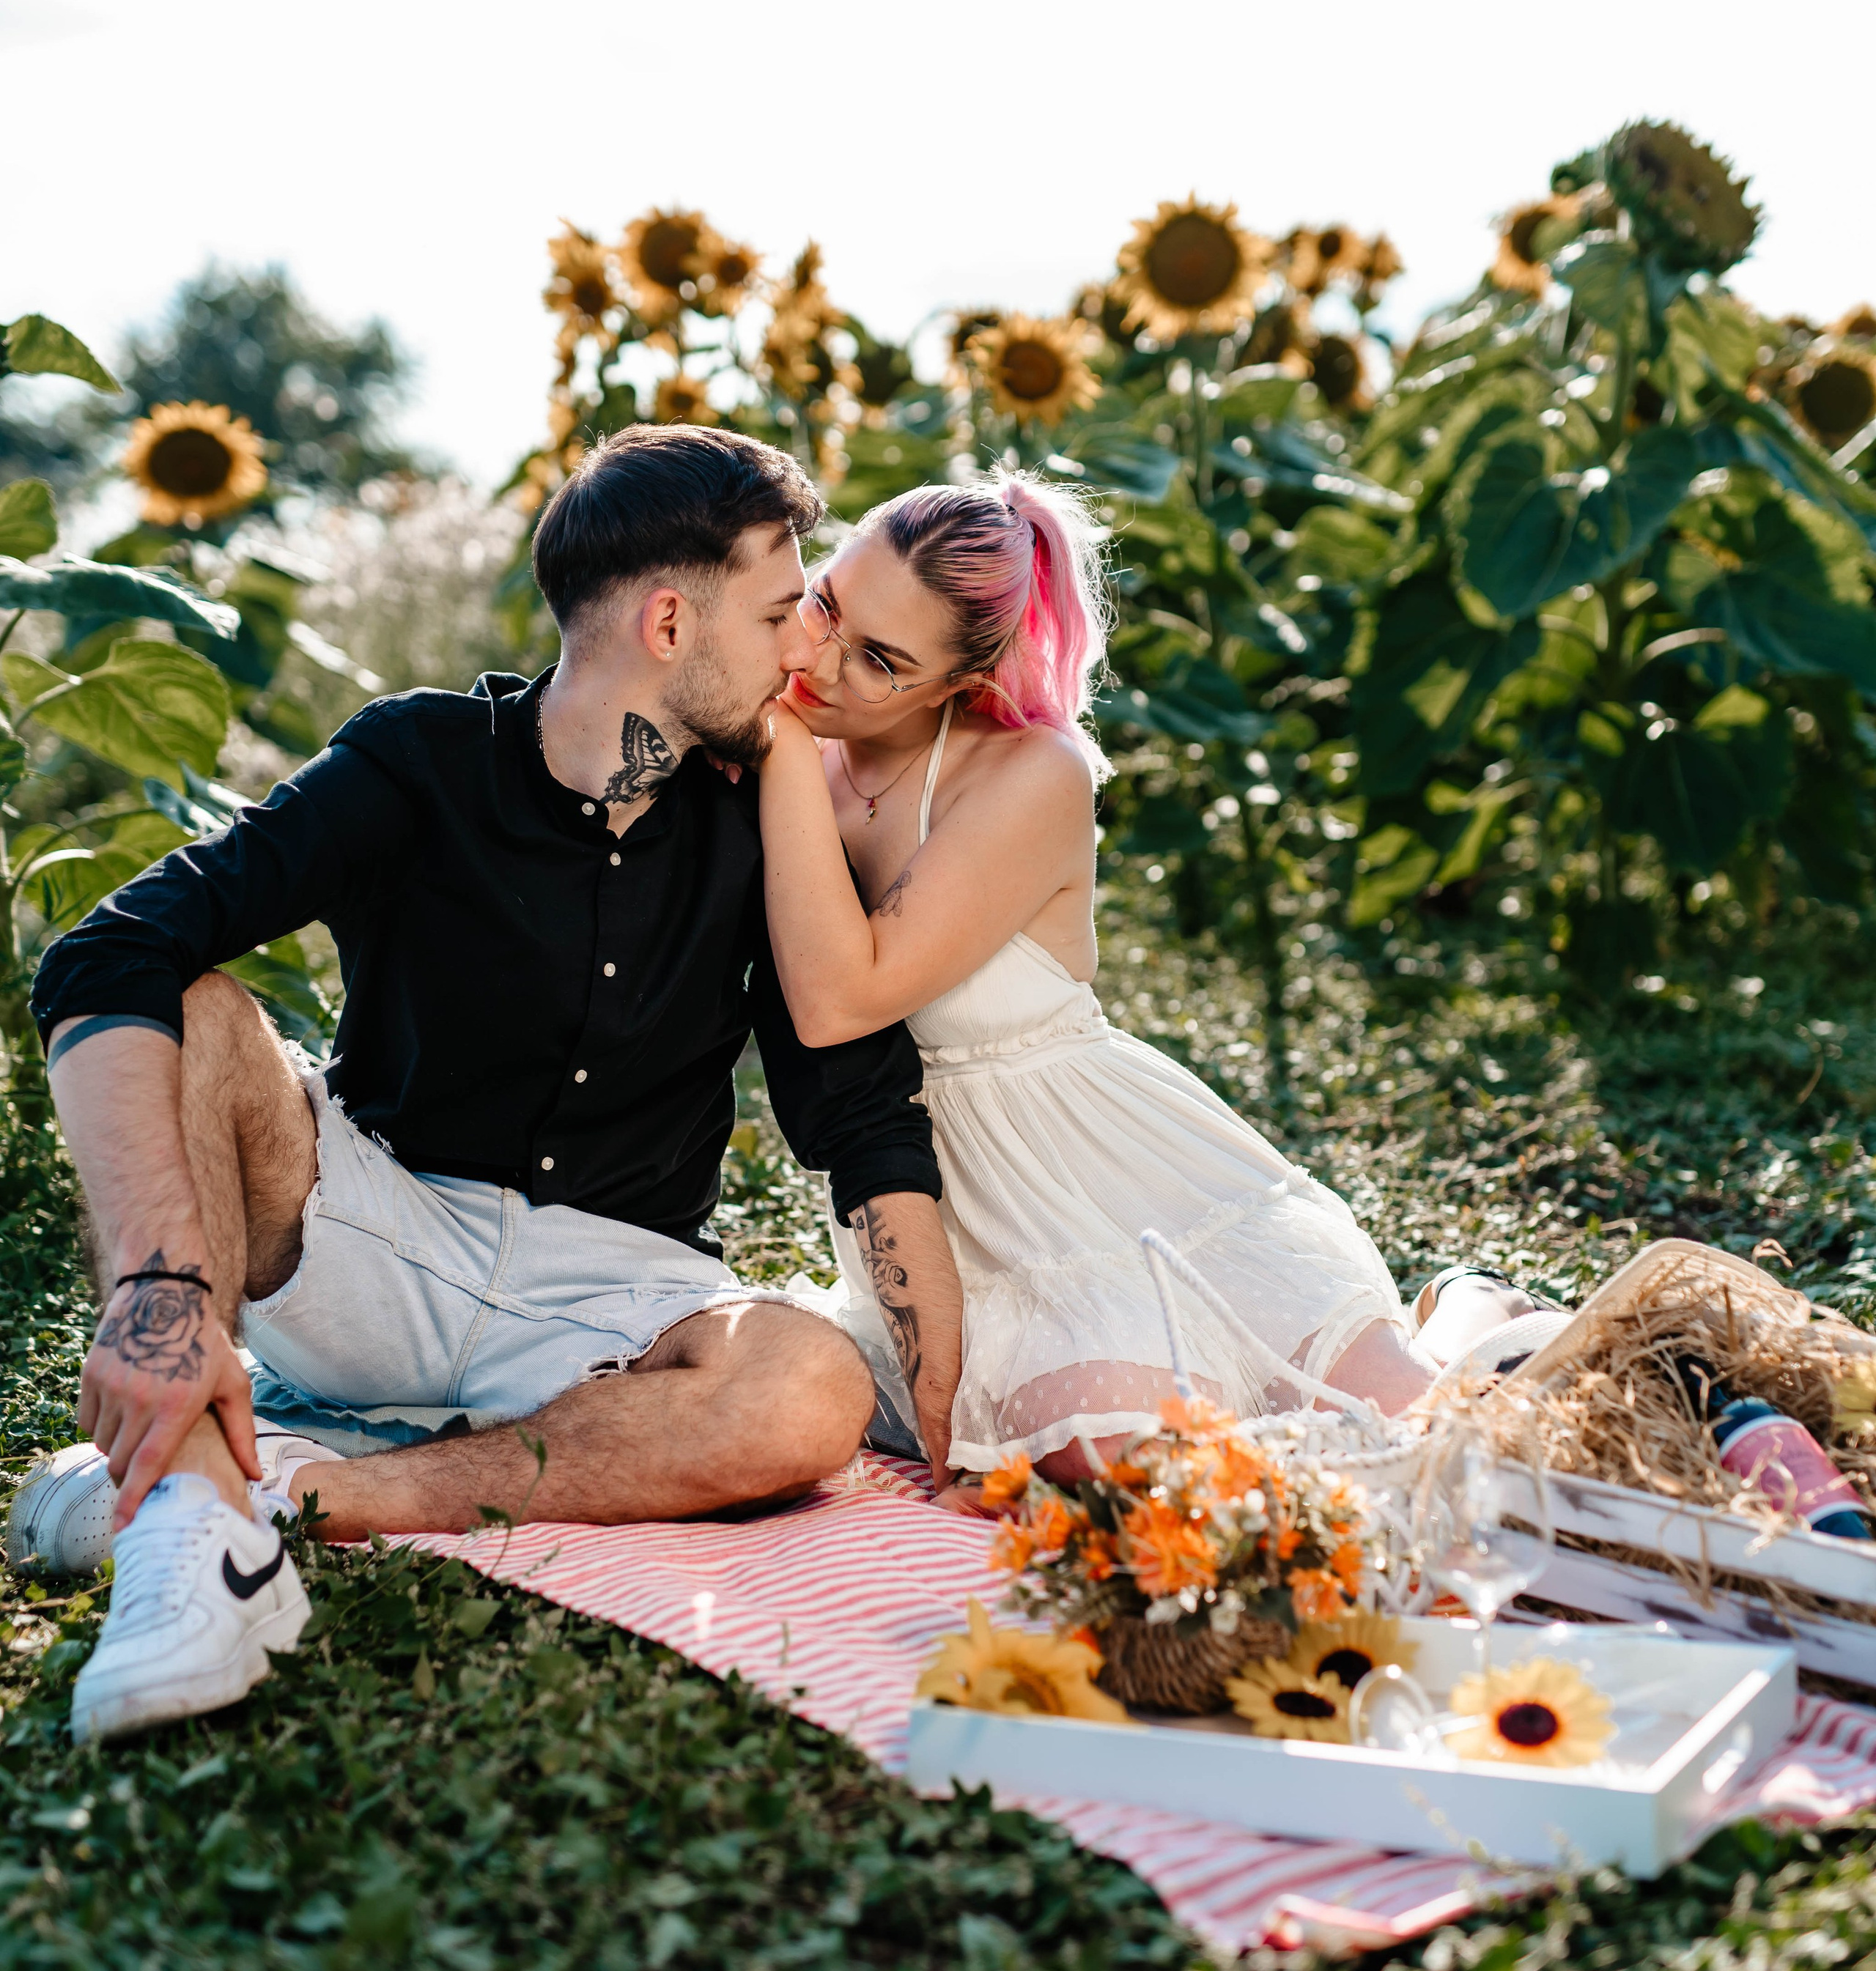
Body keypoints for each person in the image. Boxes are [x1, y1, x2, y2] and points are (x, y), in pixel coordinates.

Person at [14, 426, 969, 1745]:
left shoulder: (768, 813)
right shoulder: (419, 763)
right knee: (190, 1005)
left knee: (806, 1387)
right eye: (774, 611)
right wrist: (157, 1296)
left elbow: (857, 1115)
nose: (803, 648)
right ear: (670, 618)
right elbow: (108, 948)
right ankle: (187, 1531)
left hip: (608, 1304)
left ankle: (282, 1503)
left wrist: (944, 1408)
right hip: (372, 1236)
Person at [753, 470, 1536, 1491]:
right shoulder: (809, 754)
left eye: (881, 662)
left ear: (955, 680)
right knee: (1118, 1459)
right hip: (955, 1219)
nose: (821, 662)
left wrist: (773, 737)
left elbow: (841, 997)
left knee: (1412, 1433)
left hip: (1114, 1182)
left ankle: (1471, 1306)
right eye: (826, 606)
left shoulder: (1031, 774)